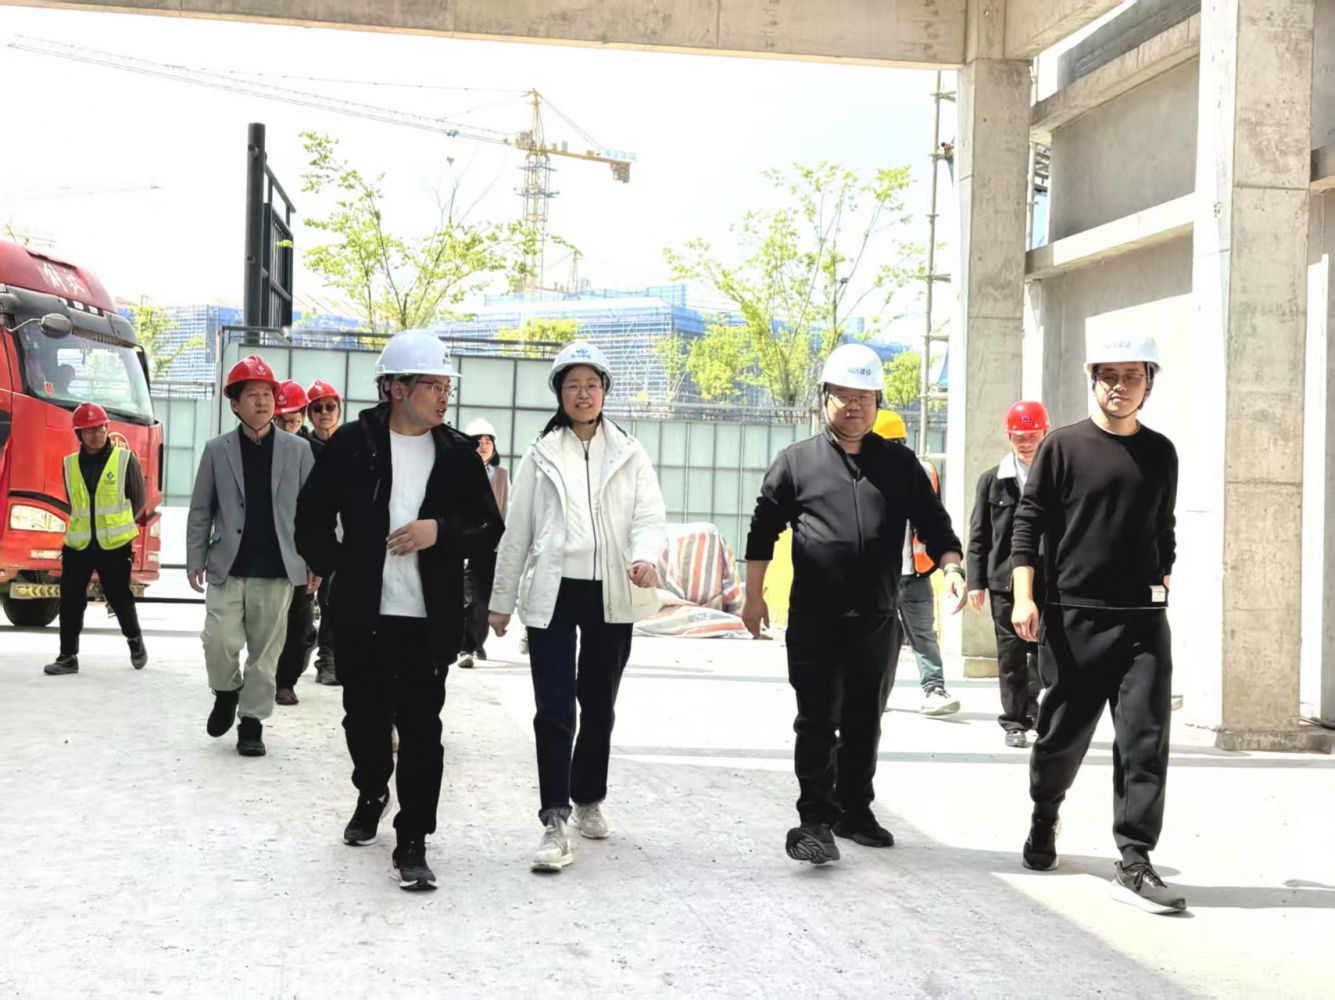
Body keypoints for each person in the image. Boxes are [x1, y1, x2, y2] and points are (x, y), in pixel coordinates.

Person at [742, 343, 965, 865]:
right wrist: (753, 597)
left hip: (877, 620)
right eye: (843, 395)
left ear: (877, 402)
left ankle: (855, 811)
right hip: (815, 621)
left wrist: (953, 568)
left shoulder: (899, 464)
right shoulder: (796, 462)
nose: (854, 406)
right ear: (825, 398)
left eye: (864, 397)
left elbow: (934, 524)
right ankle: (815, 820)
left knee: (865, 720)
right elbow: (761, 531)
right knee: (817, 720)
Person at [296, 330, 502, 892]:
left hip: (427, 621)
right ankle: (371, 791)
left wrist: (440, 531)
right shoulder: (352, 444)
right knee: (362, 722)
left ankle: (413, 840)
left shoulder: (458, 454)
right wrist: (338, 567)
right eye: (433, 385)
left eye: (446, 387)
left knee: (421, 733)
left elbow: (489, 529)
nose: (443, 397)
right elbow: (310, 517)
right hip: (362, 615)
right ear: (396, 388)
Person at [1010, 332, 1184, 914]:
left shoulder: (1161, 453)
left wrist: (1164, 577)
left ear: (1149, 383)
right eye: (1109, 374)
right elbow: (1028, 527)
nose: (1120, 386)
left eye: (1132, 375)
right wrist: (1025, 598)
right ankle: (1045, 814)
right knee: (1061, 736)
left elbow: (1164, 527)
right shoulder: (1062, 447)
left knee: (1144, 740)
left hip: (1144, 622)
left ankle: (1135, 858)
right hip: (1074, 618)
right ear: (1093, 380)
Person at [489, 341, 667, 874]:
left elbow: (649, 517)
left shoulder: (630, 453)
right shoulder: (541, 454)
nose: (583, 394)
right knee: (554, 707)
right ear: (560, 394)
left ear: (605, 391)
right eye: (573, 386)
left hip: (612, 590)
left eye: (592, 385)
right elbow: (517, 531)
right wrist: (500, 601)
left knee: (598, 702)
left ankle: (588, 797)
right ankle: (554, 818)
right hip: (554, 591)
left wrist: (644, 557)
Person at [186, 355, 317, 758]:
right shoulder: (217, 450)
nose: (262, 402)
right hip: (227, 566)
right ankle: (226, 692)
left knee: (265, 654)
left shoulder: (299, 450)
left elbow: (316, 510)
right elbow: (201, 508)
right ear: (234, 403)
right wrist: (194, 558)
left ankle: (252, 723)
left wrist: (317, 560)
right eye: (252, 395)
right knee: (218, 641)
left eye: (267, 395)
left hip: (278, 568)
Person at [42, 402, 148, 675]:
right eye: (89, 430)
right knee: (71, 599)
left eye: (100, 428)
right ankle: (68, 656)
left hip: (114, 544)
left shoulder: (125, 460)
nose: (96, 434)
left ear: (107, 428)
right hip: (78, 544)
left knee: (119, 596)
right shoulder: (69, 464)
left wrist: (118, 527)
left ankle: (134, 640)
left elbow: (138, 500)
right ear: (79, 433)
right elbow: (72, 501)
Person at [967, 400, 1049, 748]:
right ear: (1008, 436)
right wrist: (975, 582)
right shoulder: (993, 481)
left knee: (1047, 653)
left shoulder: (1058, 475)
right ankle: (1015, 721)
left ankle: (1036, 708)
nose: (1026, 443)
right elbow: (979, 535)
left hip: (1049, 579)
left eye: (1032, 435)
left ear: (1045, 433)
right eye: (1019, 437)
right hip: (1004, 582)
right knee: (1012, 654)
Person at [873, 410, 960, 718]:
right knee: (878, 639)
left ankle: (934, 690)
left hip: (915, 572)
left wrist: (950, 566)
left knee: (922, 634)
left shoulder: (920, 471)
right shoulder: (861, 472)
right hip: (877, 576)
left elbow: (934, 519)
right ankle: (874, 693)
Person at [273, 380, 322, 706]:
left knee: (297, 620)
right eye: (281, 420)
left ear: (303, 417)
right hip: (266, 548)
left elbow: (325, 510)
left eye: (293, 420)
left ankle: (285, 681)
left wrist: (318, 557)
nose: (287, 427)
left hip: (301, 550)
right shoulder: (261, 449)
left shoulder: (316, 453)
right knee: (264, 620)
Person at [457, 417, 508, 669]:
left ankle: (477, 642)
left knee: (484, 600)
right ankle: (465, 647)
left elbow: (509, 510)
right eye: (479, 441)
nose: (484, 445)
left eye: (489, 441)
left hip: (491, 547)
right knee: (468, 598)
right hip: (464, 544)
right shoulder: (459, 472)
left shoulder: (502, 476)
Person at [306, 378, 343, 686]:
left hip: (343, 537)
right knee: (302, 603)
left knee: (334, 602)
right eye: (317, 408)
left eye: (330, 407)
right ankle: (299, 654)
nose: (324, 413)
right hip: (308, 537)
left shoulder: (351, 445)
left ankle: (328, 659)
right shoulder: (301, 448)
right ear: (309, 414)